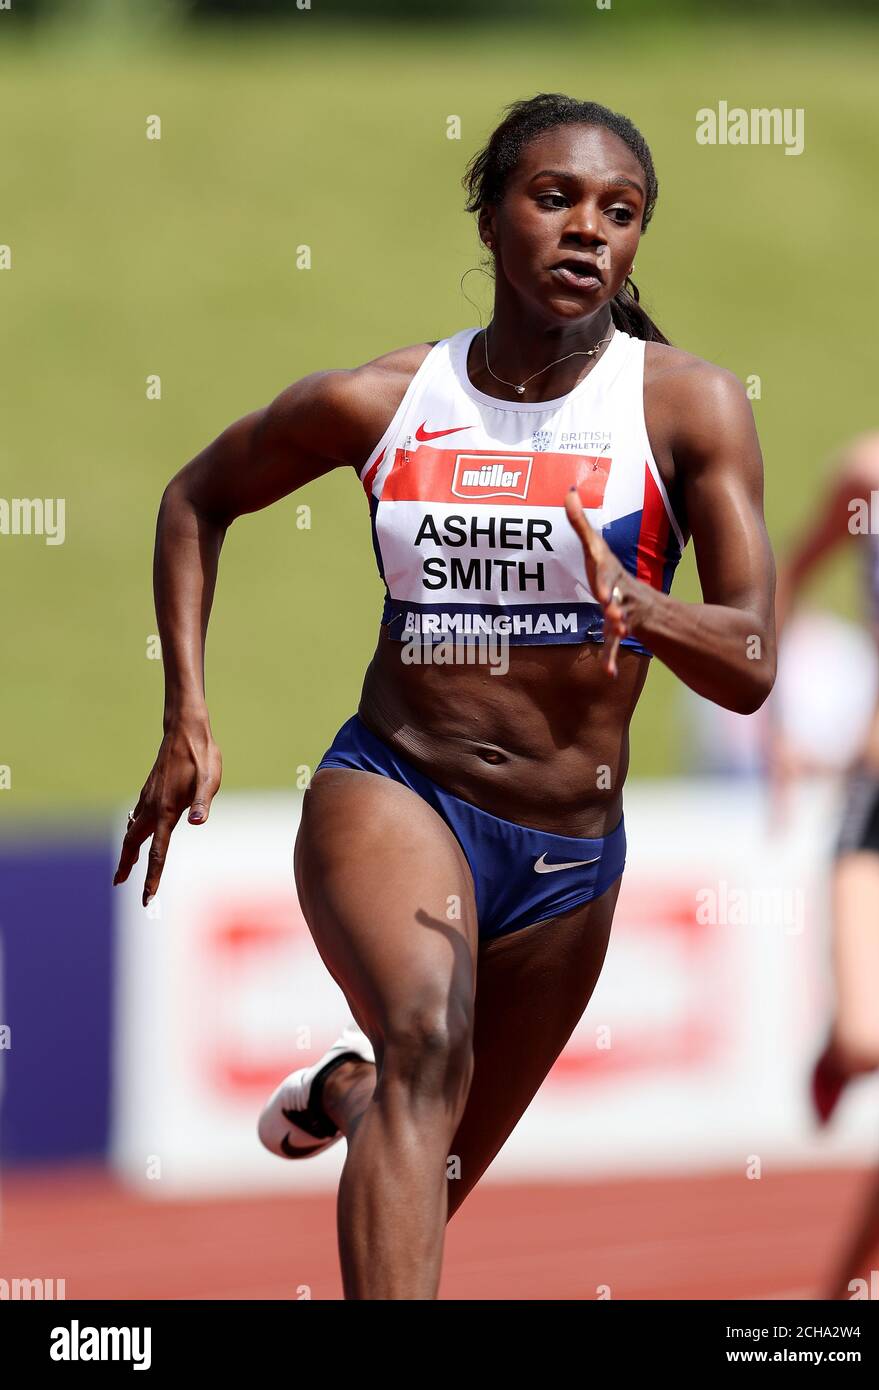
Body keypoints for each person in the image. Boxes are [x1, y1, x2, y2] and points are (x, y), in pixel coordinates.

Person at [113, 93, 776, 1300]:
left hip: (570, 851)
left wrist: (648, 609)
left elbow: (750, 666)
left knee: (428, 1163)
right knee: (428, 1039)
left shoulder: (686, 407)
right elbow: (194, 497)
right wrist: (186, 717)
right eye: (553, 198)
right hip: (397, 786)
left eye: (617, 213)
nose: (587, 231)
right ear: (488, 215)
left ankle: (348, 1091)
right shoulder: (382, 400)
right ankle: (386, 1079)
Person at [771, 418, 879, 1297]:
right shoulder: (878, 469)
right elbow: (785, 579)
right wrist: (777, 726)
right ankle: (839, 1050)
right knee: (867, 1041)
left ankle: (844, 1294)